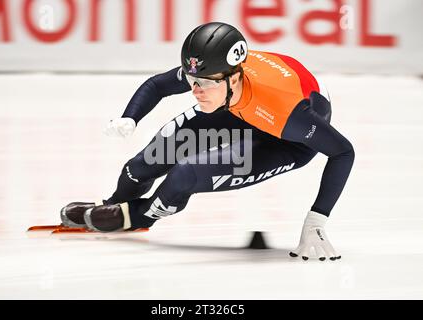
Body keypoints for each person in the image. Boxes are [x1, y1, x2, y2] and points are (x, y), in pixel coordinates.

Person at [60, 22, 354, 261]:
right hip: (238, 108)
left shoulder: (290, 113)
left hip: (286, 137)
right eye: (191, 82)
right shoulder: (212, 71)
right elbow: (157, 85)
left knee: (186, 173)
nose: (195, 91)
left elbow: (343, 152)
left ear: (234, 78)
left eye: (204, 84)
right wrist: (130, 117)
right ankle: (115, 203)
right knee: (145, 162)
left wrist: (317, 219)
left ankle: (136, 215)